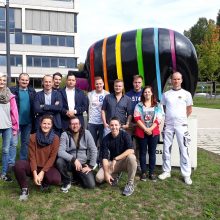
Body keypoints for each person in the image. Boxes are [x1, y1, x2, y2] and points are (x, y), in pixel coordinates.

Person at [14, 115, 61, 201]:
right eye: (44, 123)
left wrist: (42, 172)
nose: (46, 126)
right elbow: (32, 157)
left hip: (47, 167)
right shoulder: (33, 137)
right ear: (40, 124)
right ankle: (25, 189)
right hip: (34, 166)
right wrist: (35, 174)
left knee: (56, 179)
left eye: (48, 124)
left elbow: (52, 158)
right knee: (18, 165)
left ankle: (43, 182)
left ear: (52, 125)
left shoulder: (56, 138)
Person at [158, 72, 193, 185]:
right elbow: (163, 108)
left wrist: (181, 120)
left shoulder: (186, 94)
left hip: (181, 126)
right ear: (171, 80)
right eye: (174, 79)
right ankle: (166, 171)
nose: (176, 81)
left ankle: (186, 174)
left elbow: (189, 110)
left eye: (178, 79)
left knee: (184, 149)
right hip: (168, 126)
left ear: (181, 80)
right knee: (166, 149)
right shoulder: (166, 94)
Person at [96, 117, 137, 196]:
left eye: (116, 125)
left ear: (120, 126)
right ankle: (115, 174)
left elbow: (131, 150)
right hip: (113, 164)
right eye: (112, 125)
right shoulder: (105, 139)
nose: (114, 127)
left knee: (132, 157)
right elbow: (104, 158)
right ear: (109, 126)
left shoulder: (125, 135)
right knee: (99, 178)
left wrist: (116, 158)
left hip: (124, 161)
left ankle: (130, 184)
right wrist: (106, 173)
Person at [56, 116, 97, 192]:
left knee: (91, 185)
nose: (75, 126)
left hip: (82, 163)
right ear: (69, 125)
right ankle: (67, 180)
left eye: (76, 123)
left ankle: (76, 177)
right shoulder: (64, 134)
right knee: (59, 161)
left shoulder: (86, 133)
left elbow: (94, 149)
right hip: (69, 162)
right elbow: (60, 151)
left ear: (80, 124)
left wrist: (91, 166)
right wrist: (73, 159)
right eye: (72, 124)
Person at [134, 86, 164, 181]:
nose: (147, 93)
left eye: (149, 92)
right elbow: (137, 118)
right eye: (145, 92)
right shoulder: (138, 105)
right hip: (142, 132)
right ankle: (143, 172)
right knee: (142, 153)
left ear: (152, 93)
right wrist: (145, 129)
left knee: (152, 153)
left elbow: (159, 118)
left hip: (153, 132)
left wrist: (150, 129)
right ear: (143, 94)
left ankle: (151, 172)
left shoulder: (158, 105)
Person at [9, 73, 36, 167]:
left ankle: (22, 162)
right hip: (15, 123)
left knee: (25, 143)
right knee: (13, 143)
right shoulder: (12, 90)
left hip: (28, 122)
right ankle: (11, 163)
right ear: (18, 80)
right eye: (23, 80)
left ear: (29, 81)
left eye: (26, 80)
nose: (25, 82)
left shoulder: (32, 91)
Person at [0, 73, 19, 181]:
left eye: (3, 80)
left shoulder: (10, 96)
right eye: (0, 80)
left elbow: (14, 113)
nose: (1, 82)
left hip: (7, 126)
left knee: (6, 150)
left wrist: (15, 127)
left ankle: (4, 173)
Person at [87, 76, 109, 146]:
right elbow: (87, 107)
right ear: (94, 84)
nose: (99, 85)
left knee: (103, 142)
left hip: (103, 122)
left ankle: (102, 156)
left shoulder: (107, 94)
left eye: (100, 83)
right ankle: (93, 156)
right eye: (97, 84)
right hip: (92, 122)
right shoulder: (90, 94)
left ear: (103, 84)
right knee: (92, 143)